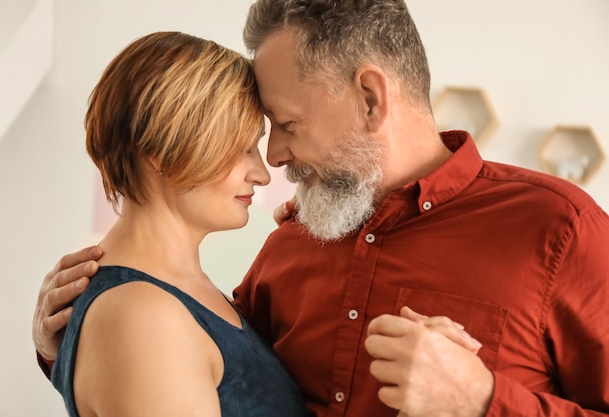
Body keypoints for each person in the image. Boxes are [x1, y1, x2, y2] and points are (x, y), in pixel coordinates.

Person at [32, 1, 609, 417]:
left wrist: (484, 403)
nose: (275, 159)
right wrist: (66, 347)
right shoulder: (293, 243)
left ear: (369, 98)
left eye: (285, 125)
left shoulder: (558, 231)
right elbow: (207, 364)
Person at [45, 30, 312, 417]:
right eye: (242, 148)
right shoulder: (142, 317)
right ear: (158, 150)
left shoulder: (174, 296)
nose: (262, 173)